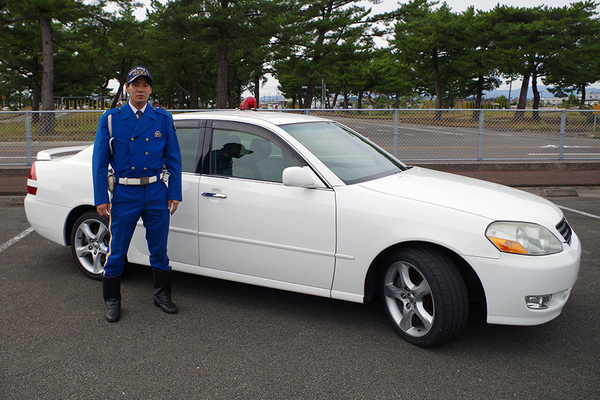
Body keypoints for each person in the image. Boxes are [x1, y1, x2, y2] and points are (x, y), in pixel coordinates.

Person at [92, 66, 183, 323]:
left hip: (155, 191)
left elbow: (174, 159)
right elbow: (99, 163)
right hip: (125, 192)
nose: (140, 89)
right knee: (117, 250)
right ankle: (112, 300)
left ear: (150, 89)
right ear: (127, 89)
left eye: (145, 84)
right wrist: (101, 197)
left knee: (159, 248)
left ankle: (162, 295)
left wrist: (174, 192)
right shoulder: (111, 119)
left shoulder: (162, 119)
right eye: (135, 84)